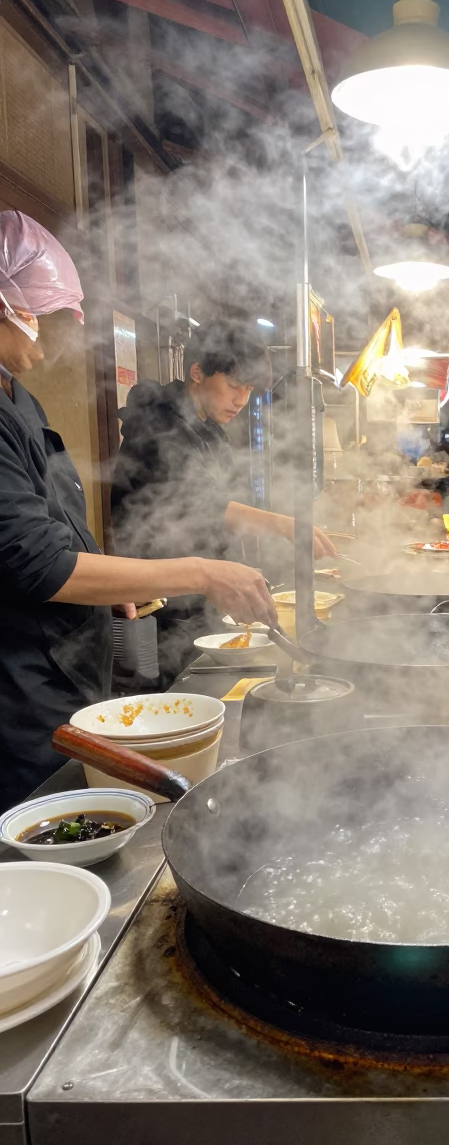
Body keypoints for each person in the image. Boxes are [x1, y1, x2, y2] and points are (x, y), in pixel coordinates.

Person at [0, 210, 278, 811]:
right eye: (36, 319)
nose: (45, 343)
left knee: (94, 806)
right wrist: (206, 570)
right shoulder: (153, 420)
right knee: (46, 826)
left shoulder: (17, 397)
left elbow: (53, 526)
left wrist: (100, 576)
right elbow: (32, 561)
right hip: (23, 680)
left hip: (75, 656)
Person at [111, 322, 337, 683]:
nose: (241, 400)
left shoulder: (209, 429)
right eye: (234, 386)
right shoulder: (157, 427)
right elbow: (201, 504)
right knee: (179, 690)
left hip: (203, 593)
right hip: (162, 602)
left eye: (248, 390)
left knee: (219, 682)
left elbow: (226, 503)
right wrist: (285, 524)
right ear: (197, 372)